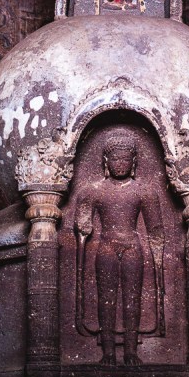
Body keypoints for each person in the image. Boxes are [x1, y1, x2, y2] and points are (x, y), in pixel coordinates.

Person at [74, 137, 164, 365]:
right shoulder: (93, 190)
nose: (120, 163)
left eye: (125, 159)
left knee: (132, 300)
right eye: (115, 158)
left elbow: (155, 228)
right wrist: (82, 229)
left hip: (133, 246)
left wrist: (158, 252)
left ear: (134, 161)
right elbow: (83, 225)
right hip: (106, 247)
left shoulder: (144, 191)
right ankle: (108, 353)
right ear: (106, 160)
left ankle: (131, 352)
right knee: (106, 300)